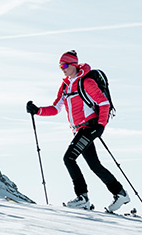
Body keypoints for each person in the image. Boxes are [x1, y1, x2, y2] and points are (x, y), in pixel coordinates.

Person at [27, 51, 130, 212]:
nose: (63, 68)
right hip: (78, 130)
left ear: (74, 64)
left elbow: (104, 104)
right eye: (60, 66)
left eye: (65, 65)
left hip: (88, 128)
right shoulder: (66, 85)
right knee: (94, 165)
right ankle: (120, 193)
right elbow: (55, 108)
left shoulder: (86, 82)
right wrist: (37, 110)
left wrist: (101, 126)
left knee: (69, 159)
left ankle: (82, 197)